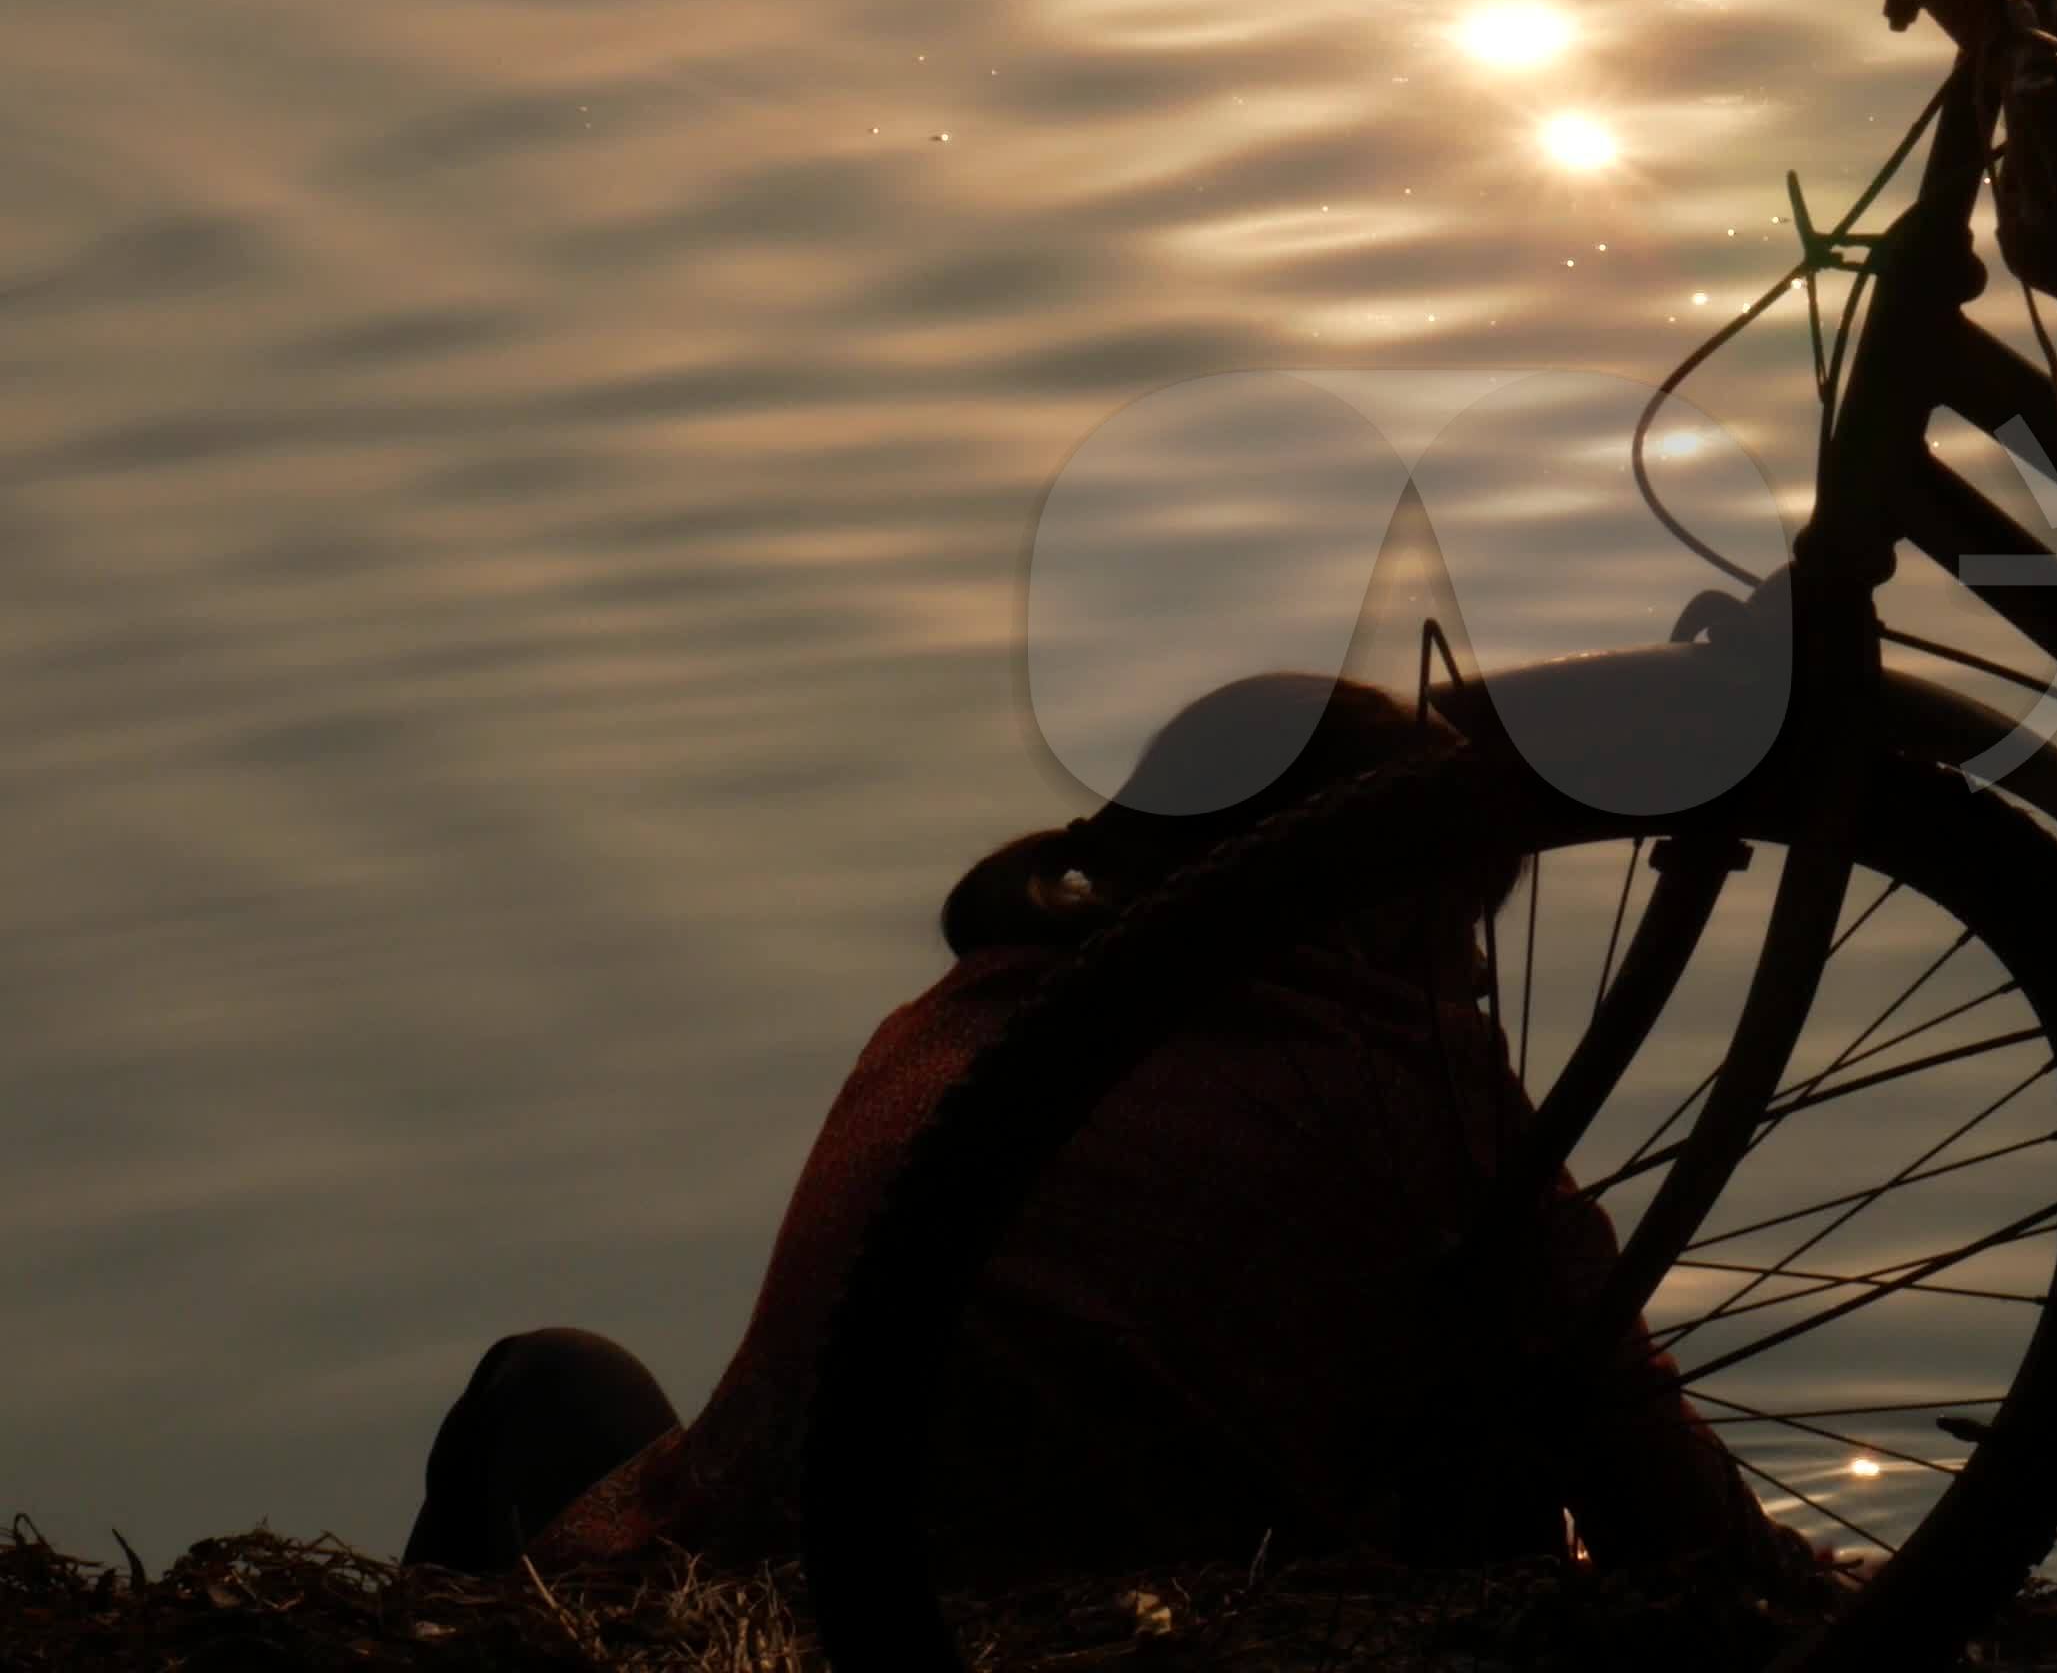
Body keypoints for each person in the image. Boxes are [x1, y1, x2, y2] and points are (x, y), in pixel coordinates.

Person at [403, 674, 1780, 1582]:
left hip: (723, 1587)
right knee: (1504, 1433)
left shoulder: (960, 1012)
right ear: (1360, 901)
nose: (1474, 978)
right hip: (1085, 1619)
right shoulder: (1402, 1087)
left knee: (552, 1382)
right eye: (1457, 926)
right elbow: (1669, 1513)